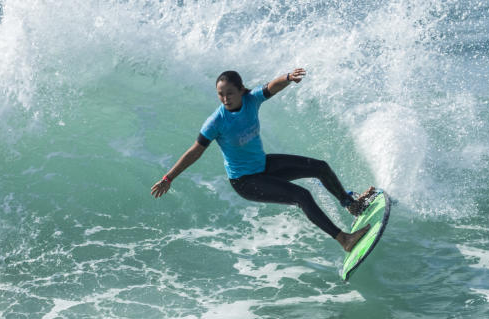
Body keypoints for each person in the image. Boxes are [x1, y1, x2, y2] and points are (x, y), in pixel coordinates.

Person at [150, 68, 375, 253]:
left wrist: (287, 78)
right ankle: (344, 239)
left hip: (263, 165)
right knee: (301, 195)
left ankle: (351, 204)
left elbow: (270, 88)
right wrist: (168, 178)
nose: (225, 98)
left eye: (229, 93)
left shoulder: (250, 100)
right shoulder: (216, 122)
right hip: (245, 181)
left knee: (320, 167)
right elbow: (195, 152)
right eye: (220, 94)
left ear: (240, 90)